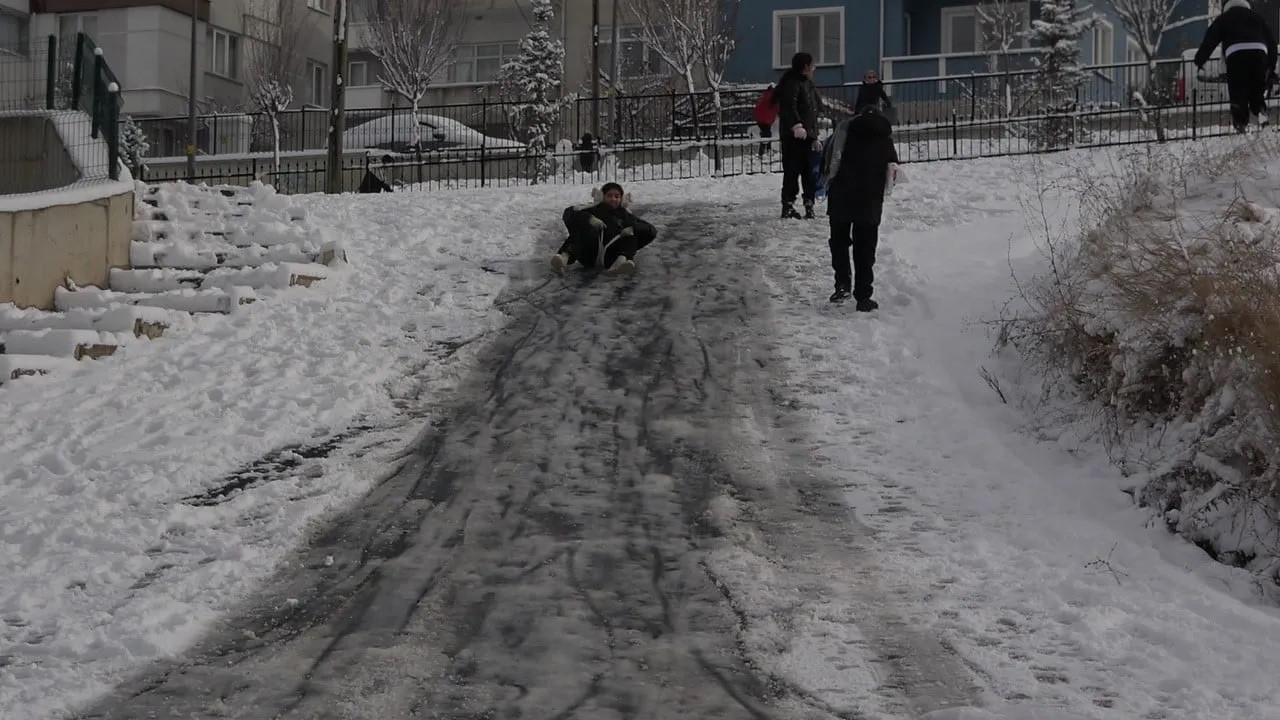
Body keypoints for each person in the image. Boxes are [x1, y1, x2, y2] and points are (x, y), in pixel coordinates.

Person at [820, 106, 900, 310]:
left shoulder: (843, 133)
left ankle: (842, 284)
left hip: (841, 195)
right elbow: (893, 168)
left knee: (839, 242)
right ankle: (864, 296)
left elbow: (828, 160)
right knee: (865, 248)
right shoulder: (885, 138)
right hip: (870, 199)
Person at [1194, 0, 1277, 132]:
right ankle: (1260, 110)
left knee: (1238, 90)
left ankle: (1240, 123)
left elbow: (1211, 38)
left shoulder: (1225, 18)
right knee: (1257, 89)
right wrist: (1271, 65)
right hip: (1259, 53)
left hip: (1236, 54)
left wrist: (1200, 59)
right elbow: (1272, 42)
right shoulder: (1257, 18)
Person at [551, 182, 657, 276]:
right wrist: (589, 219)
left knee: (631, 235)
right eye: (609, 196)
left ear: (622, 199)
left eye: (617, 196)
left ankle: (619, 264)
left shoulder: (626, 216)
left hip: (610, 257)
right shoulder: (592, 209)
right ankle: (563, 259)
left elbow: (651, 230)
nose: (613, 199)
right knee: (580, 232)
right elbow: (569, 213)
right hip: (589, 254)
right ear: (602, 197)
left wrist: (634, 228)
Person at [775, 52, 822, 219]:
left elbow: (814, 107)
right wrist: (796, 125)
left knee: (809, 172)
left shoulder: (808, 84)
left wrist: (814, 134)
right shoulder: (792, 83)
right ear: (804, 68)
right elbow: (788, 106)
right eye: (811, 66)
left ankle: (809, 203)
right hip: (793, 137)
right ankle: (787, 205)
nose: (813, 69)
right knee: (792, 172)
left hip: (808, 136)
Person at [753, 83, 779, 160]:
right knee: (766, 135)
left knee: (767, 134)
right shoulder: (774, 97)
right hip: (766, 119)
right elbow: (778, 108)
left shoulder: (766, 95)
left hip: (760, 118)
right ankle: (762, 153)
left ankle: (768, 150)